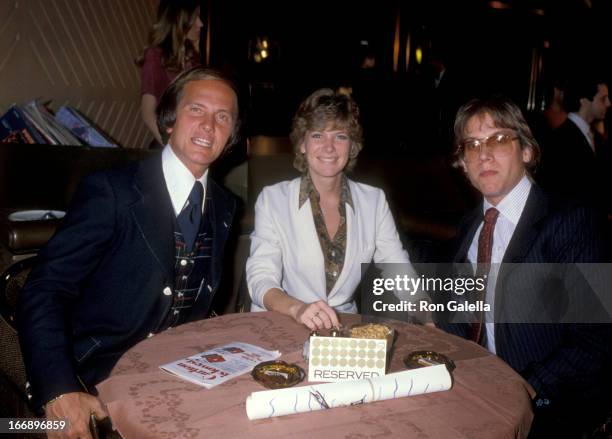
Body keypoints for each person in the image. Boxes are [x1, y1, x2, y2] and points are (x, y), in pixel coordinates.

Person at [17, 66, 239, 438]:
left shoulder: (225, 205)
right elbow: (44, 288)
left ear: (231, 135)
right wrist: (57, 388)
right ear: (169, 120)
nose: (209, 126)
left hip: (174, 375)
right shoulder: (112, 191)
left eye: (223, 117)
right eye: (196, 110)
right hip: (92, 377)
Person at [440, 95, 611, 437]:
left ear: (527, 151)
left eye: (499, 140)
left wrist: (522, 389)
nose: (483, 154)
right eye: (471, 145)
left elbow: (598, 339)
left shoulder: (570, 222)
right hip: (473, 402)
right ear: (462, 163)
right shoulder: (469, 227)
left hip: (551, 416)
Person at [246, 88, 412, 331]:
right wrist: (297, 308)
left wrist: (427, 316)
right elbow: (261, 276)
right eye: (317, 136)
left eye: (340, 136)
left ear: (352, 145)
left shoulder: (374, 201)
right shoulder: (273, 199)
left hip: (343, 327)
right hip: (283, 322)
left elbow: (397, 268)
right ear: (302, 144)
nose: (329, 147)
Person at [538, 76, 611, 210]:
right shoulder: (558, 141)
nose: (608, 104)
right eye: (603, 98)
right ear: (584, 100)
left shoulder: (597, 139)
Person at [137, 0, 203, 146]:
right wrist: (172, 147)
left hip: (191, 141)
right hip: (169, 144)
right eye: (195, 18)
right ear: (179, 20)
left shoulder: (192, 58)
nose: (201, 24)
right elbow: (148, 113)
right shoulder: (155, 55)